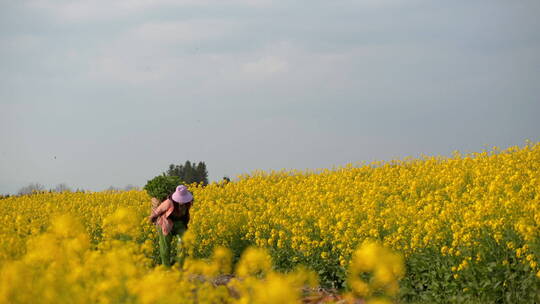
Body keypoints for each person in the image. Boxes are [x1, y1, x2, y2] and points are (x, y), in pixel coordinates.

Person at [149, 185, 193, 267]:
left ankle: (178, 264)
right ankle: (166, 267)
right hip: (166, 224)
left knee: (183, 242)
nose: (182, 201)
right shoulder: (169, 202)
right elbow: (158, 211)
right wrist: (152, 219)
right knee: (165, 246)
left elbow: (186, 215)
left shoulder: (188, 204)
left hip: (180, 224)